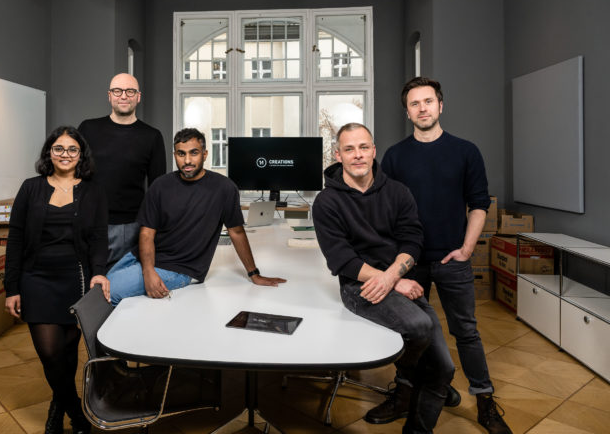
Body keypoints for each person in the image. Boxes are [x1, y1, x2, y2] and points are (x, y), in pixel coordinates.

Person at [381, 77, 511, 434]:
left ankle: (485, 403)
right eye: (414, 103)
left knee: (466, 332)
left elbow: (479, 204)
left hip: (452, 261)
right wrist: (395, 261)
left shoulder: (466, 151)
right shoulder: (395, 156)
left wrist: (467, 249)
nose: (422, 108)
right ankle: (405, 394)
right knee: (409, 333)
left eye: (428, 101)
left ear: (440, 105)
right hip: (409, 262)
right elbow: (385, 210)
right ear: (407, 112)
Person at [312, 123, 455, 434]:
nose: (358, 155)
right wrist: (393, 280)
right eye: (349, 149)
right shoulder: (326, 202)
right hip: (358, 286)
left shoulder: (398, 192)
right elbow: (342, 260)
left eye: (364, 147)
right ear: (338, 155)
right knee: (420, 325)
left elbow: (412, 241)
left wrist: (392, 277)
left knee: (444, 368)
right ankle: (409, 385)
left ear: (374, 151)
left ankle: (411, 405)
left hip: (399, 282)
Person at [4, 126, 110, 434]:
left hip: (76, 279)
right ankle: (77, 412)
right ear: (49, 153)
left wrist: (99, 271)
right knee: (50, 352)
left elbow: (99, 237)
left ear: (81, 154)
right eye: (59, 148)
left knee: (67, 351)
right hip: (36, 279)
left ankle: (56, 406)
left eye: (72, 149)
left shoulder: (93, 190)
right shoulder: (30, 188)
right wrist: (12, 288)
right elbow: (15, 239)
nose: (65, 154)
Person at [107, 127, 286, 304]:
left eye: (194, 153)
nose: (187, 160)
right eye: (181, 154)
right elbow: (146, 233)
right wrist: (148, 271)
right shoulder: (160, 186)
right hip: (142, 256)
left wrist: (254, 274)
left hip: (180, 269)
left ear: (205, 154)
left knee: (108, 292)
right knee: (102, 285)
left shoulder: (224, 188)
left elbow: (237, 232)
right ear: (174, 155)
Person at [78, 73, 166, 267]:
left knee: (118, 282)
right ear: (109, 95)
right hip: (88, 220)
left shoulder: (152, 136)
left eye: (130, 91)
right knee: (85, 279)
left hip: (129, 227)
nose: (124, 96)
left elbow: (157, 189)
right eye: (117, 91)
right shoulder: (87, 129)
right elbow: (73, 174)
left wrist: (150, 230)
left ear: (138, 96)